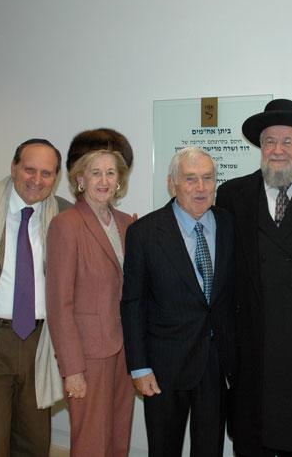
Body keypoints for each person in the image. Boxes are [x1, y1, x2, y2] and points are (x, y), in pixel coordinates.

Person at [215, 98, 292, 457]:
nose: (278, 150)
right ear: (260, 146)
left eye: (288, 141)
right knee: (251, 439)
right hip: (251, 346)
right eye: (270, 141)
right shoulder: (231, 195)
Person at [121, 147, 235, 457]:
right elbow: (133, 303)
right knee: (164, 448)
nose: (201, 188)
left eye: (208, 179)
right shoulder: (144, 233)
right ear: (172, 184)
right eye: (191, 179)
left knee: (210, 448)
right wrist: (139, 367)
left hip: (215, 363)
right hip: (163, 367)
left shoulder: (229, 225)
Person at [0, 138, 72, 457]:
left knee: (35, 442)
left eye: (46, 173)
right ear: (14, 167)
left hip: (41, 344)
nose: (36, 180)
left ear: (56, 176)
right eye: (29, 170)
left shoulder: (63, 214)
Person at [47, 149, 136, 456]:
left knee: (118, 436)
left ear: (119, 181)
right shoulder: (66, 224)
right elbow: (60, 304)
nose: (104, 180)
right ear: (80, 180)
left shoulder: (127, 224)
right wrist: (72, 368)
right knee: (91, 442)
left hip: (125, 350)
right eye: (95, 173)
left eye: (111, 173)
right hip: (88, 355)